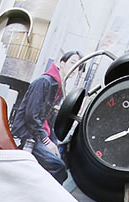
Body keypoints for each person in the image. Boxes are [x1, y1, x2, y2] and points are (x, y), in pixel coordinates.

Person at [10, 50, 81, 184]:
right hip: (27, 135)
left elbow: (50, 120)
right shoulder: (44, 82)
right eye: (72, 63)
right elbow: (31, 117)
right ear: (62, 63)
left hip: (39, 135)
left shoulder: (59, 87)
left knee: (61, 163)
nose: (75, 68)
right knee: (58, 168)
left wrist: (53, 142)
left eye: (78, 66)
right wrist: (47, 142)